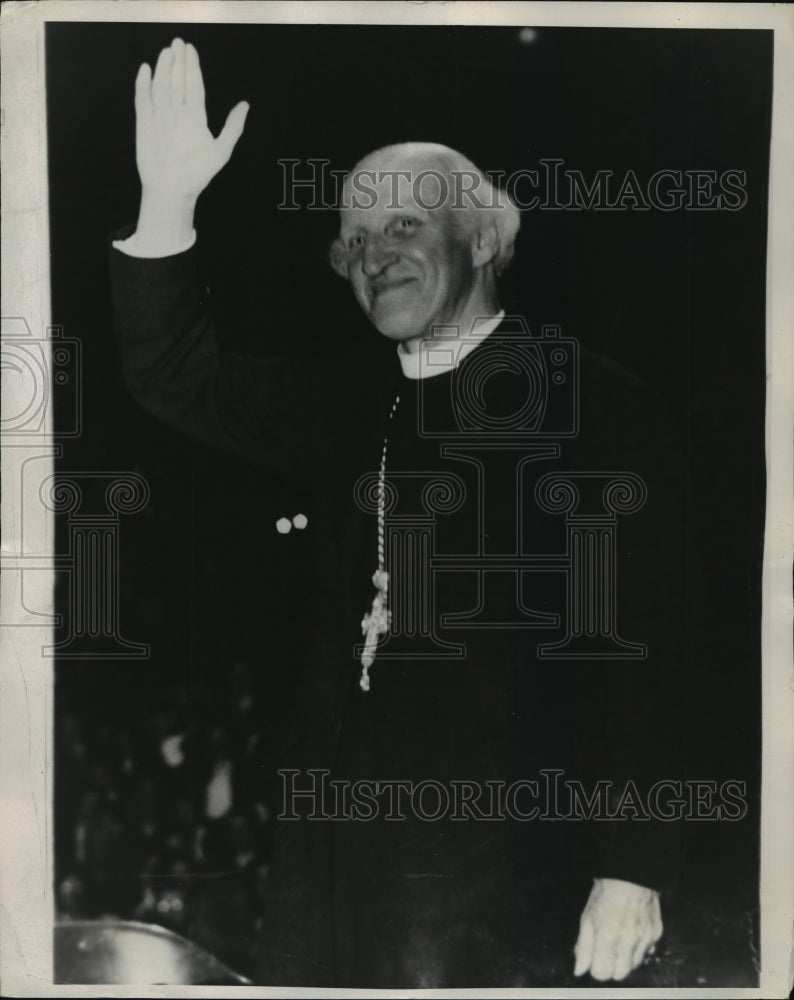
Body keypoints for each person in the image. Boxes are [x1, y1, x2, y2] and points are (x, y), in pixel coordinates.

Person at [111, 38, 685, 987]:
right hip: (330, 870)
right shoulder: (350, 401)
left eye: (406, 228)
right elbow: (174, 373)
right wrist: (167, 201)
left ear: (486, 241)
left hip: (513, 879)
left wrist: (635, 863)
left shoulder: (598, 406)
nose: (374, 258)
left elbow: (654, 653)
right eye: (357, 241)